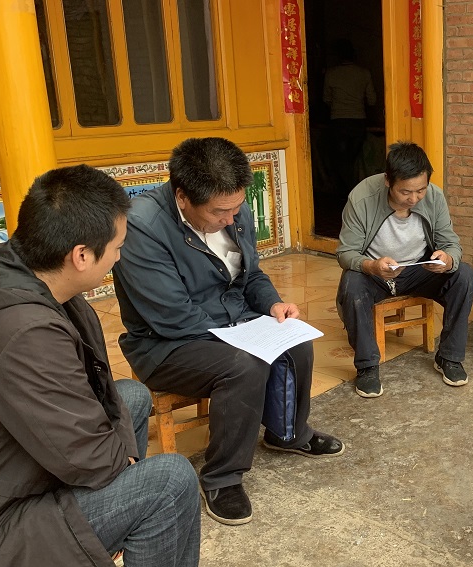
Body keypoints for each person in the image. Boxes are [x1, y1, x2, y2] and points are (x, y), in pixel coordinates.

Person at [0, 165, 200, 567]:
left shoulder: (17, 271)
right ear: (82, 255)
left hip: (10, 469)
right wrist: (123, 472)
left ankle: (120, 526)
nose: (119, 256)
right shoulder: (24, 334)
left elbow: (100, 395)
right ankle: (126, 522)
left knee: (132, 396)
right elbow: (88, 457)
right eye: (118, 246)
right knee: (168, 482)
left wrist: (120, 468)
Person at [112, 137, 344, 527]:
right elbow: (170, 315)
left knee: (295, 341)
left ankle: (288, 434)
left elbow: (251, 275)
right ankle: (222, 477)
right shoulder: (142, 226)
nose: (231, 219)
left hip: (231, 323)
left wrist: (272, 305)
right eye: (220, 212)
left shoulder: (234, 210)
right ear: (183, 197)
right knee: (244, 366)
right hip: (165, 343)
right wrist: (243, 334)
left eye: (237, 208)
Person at [336, 141, 473, 398]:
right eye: (405, 192)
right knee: (351, 284)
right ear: (388, 181)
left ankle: (449, 357)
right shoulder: (362, 197)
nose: (413, 199)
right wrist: (372, 266)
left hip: (418, 269)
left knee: (464, 275)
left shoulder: (434, 196)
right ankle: (367, 367)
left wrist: (448, 259)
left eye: (420, 190)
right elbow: (346, 253)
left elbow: (451, 243)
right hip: (375, 272)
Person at [323, 38, 377, 204]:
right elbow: (372, 100)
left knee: (341, 161)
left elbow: (326, 99)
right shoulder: (364, 73)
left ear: (338, 56)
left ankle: (348, 194)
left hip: (338, 122)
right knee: (352, 160)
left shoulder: (331, 74)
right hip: (358, 122)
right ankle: (354, 194)